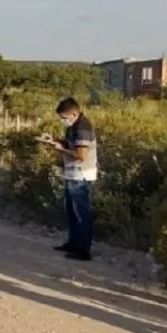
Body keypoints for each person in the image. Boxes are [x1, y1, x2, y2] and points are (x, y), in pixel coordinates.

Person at [38, 97, 97, 261]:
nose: (63, 121)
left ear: (74, 113)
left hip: (81, 174)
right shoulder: (74, 127)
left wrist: (61, 149)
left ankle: (83, 250)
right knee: (72, 211)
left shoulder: (83, 127)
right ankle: (73, 243)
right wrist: (54, 141)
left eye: (64, 118)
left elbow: (80, 155)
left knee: (81, 213)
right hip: (73, 174)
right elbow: (71, 144)